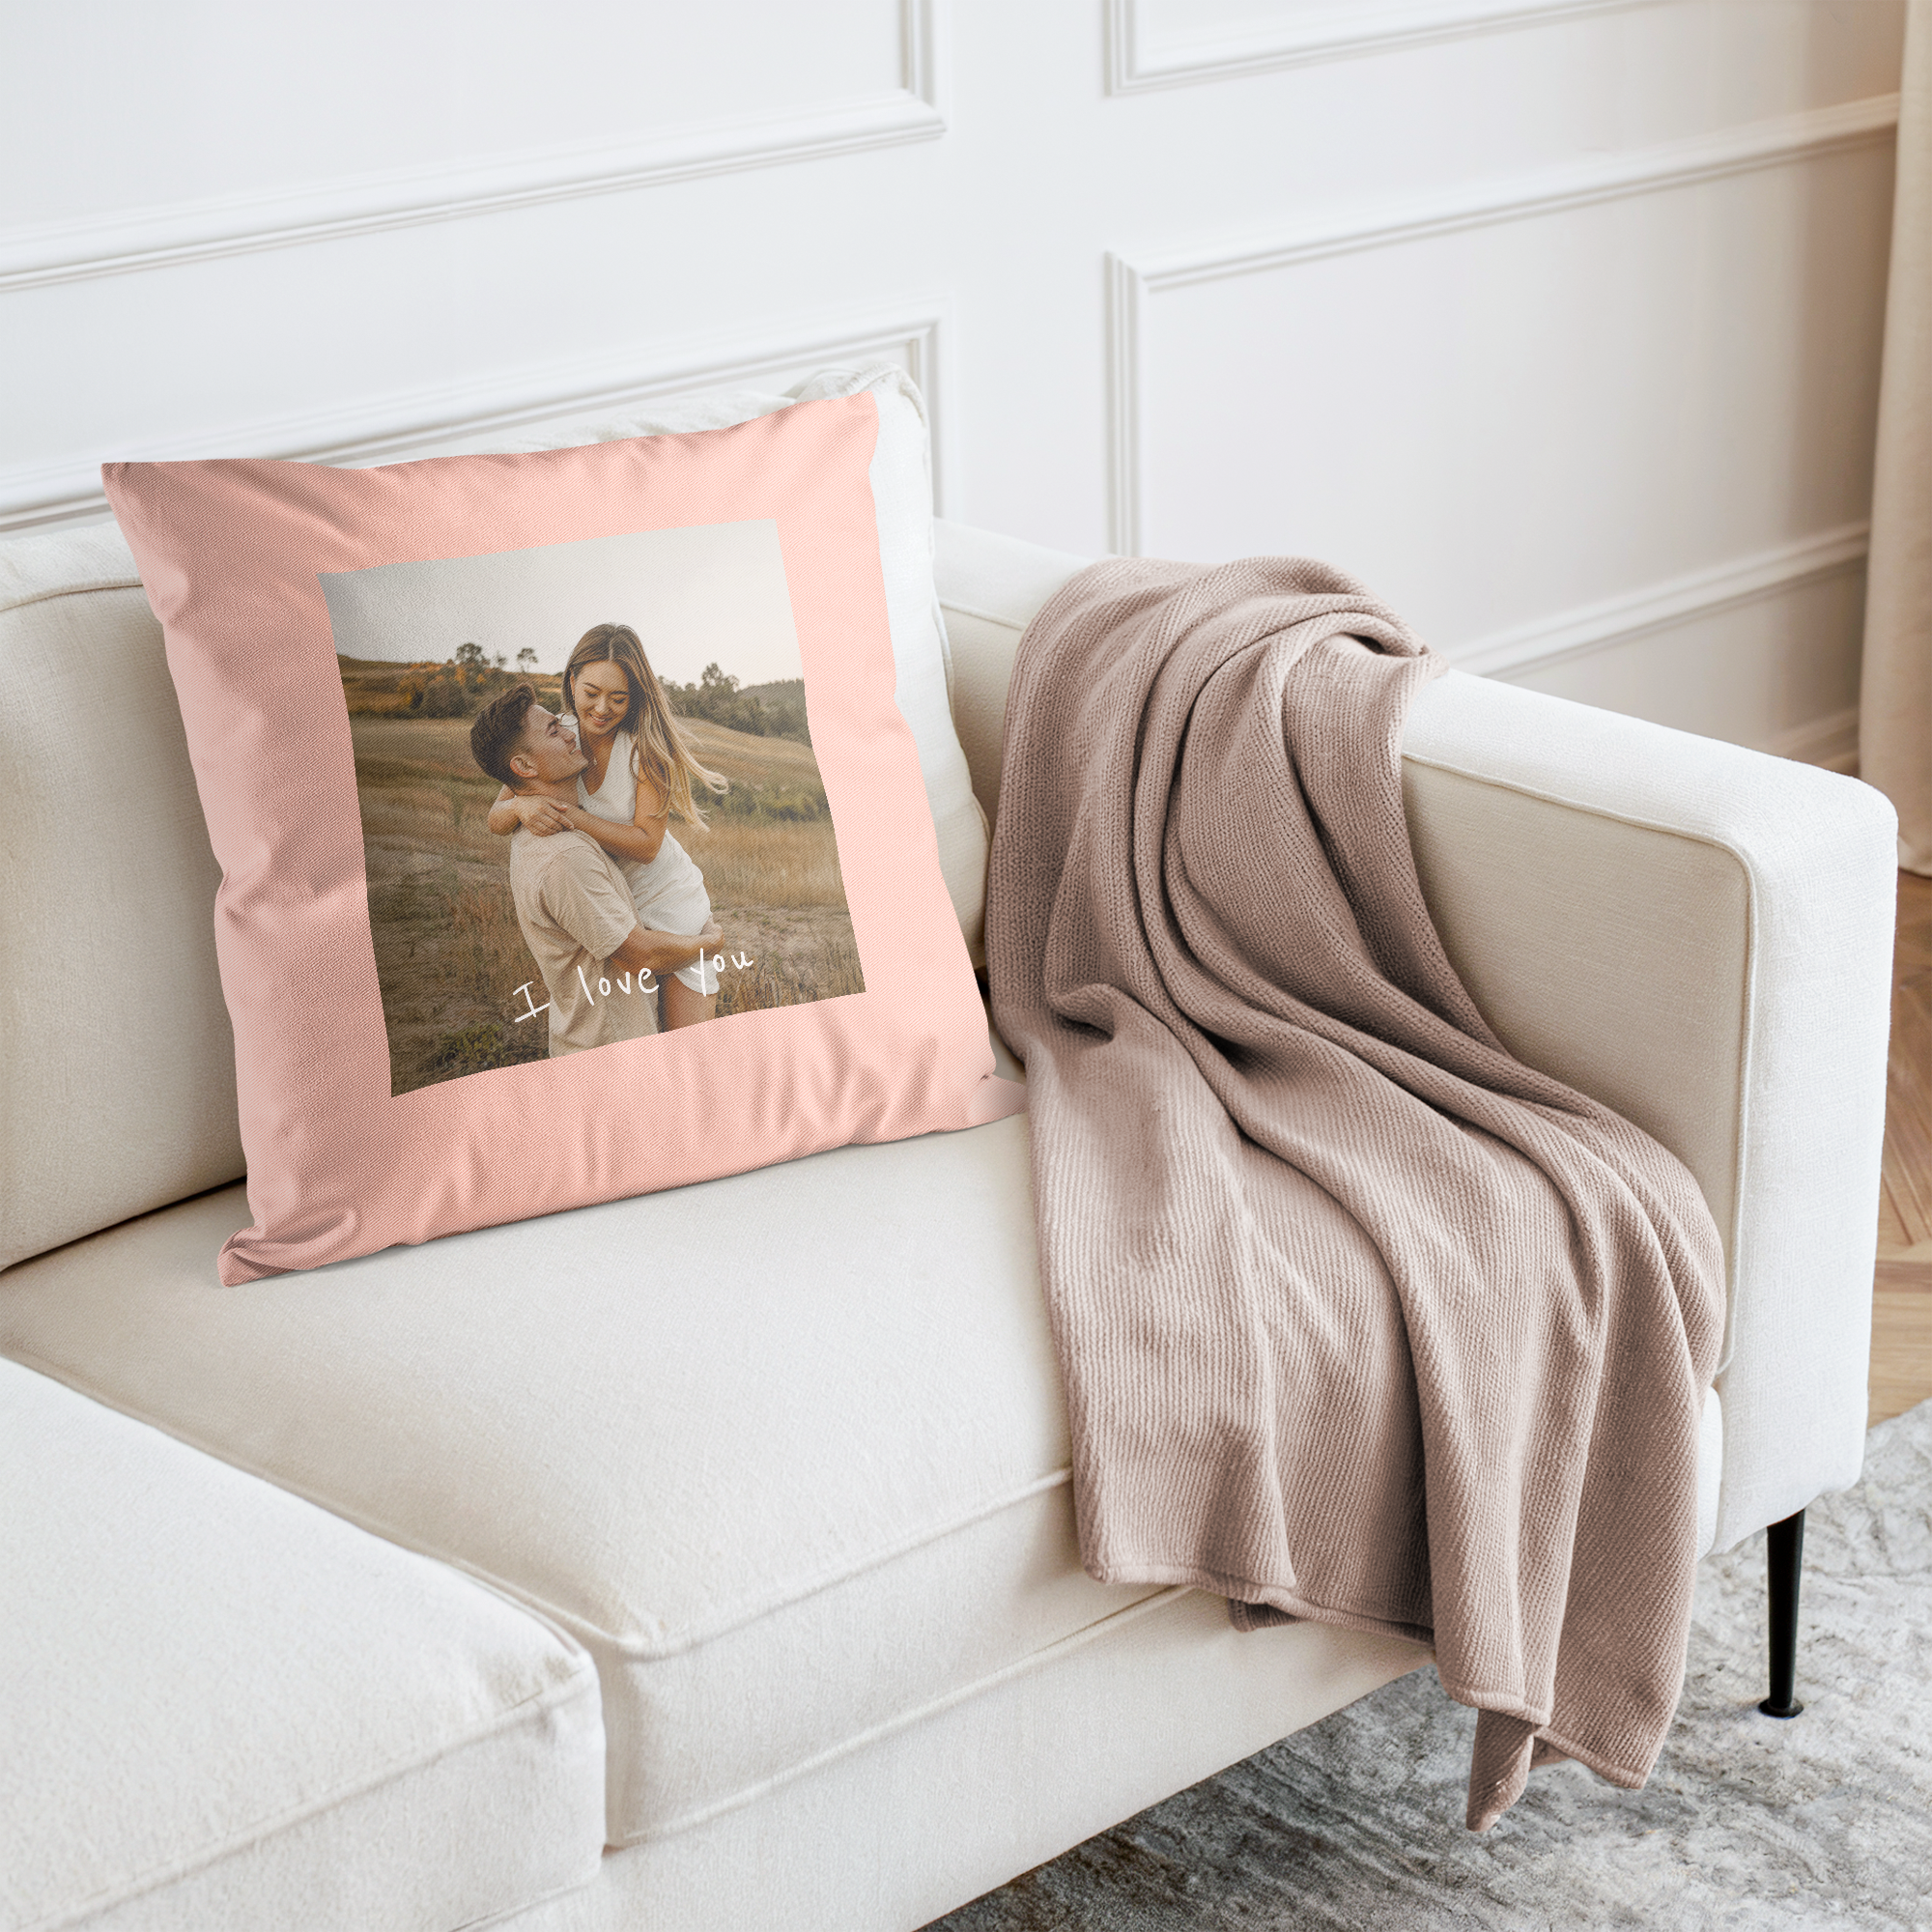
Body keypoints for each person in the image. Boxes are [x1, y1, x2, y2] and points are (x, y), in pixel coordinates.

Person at [487, 623, 726, 1031]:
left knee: (686, 1048)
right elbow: (496, 817)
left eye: (618, 698)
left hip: (667, 903)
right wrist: (522, 805)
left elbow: (648, 844)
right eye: (591, 693)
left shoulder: (645, 748)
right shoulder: (556, 737)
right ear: (572, 679)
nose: (601, 709)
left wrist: (573, 816)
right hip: (614, 908)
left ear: (634, 699)